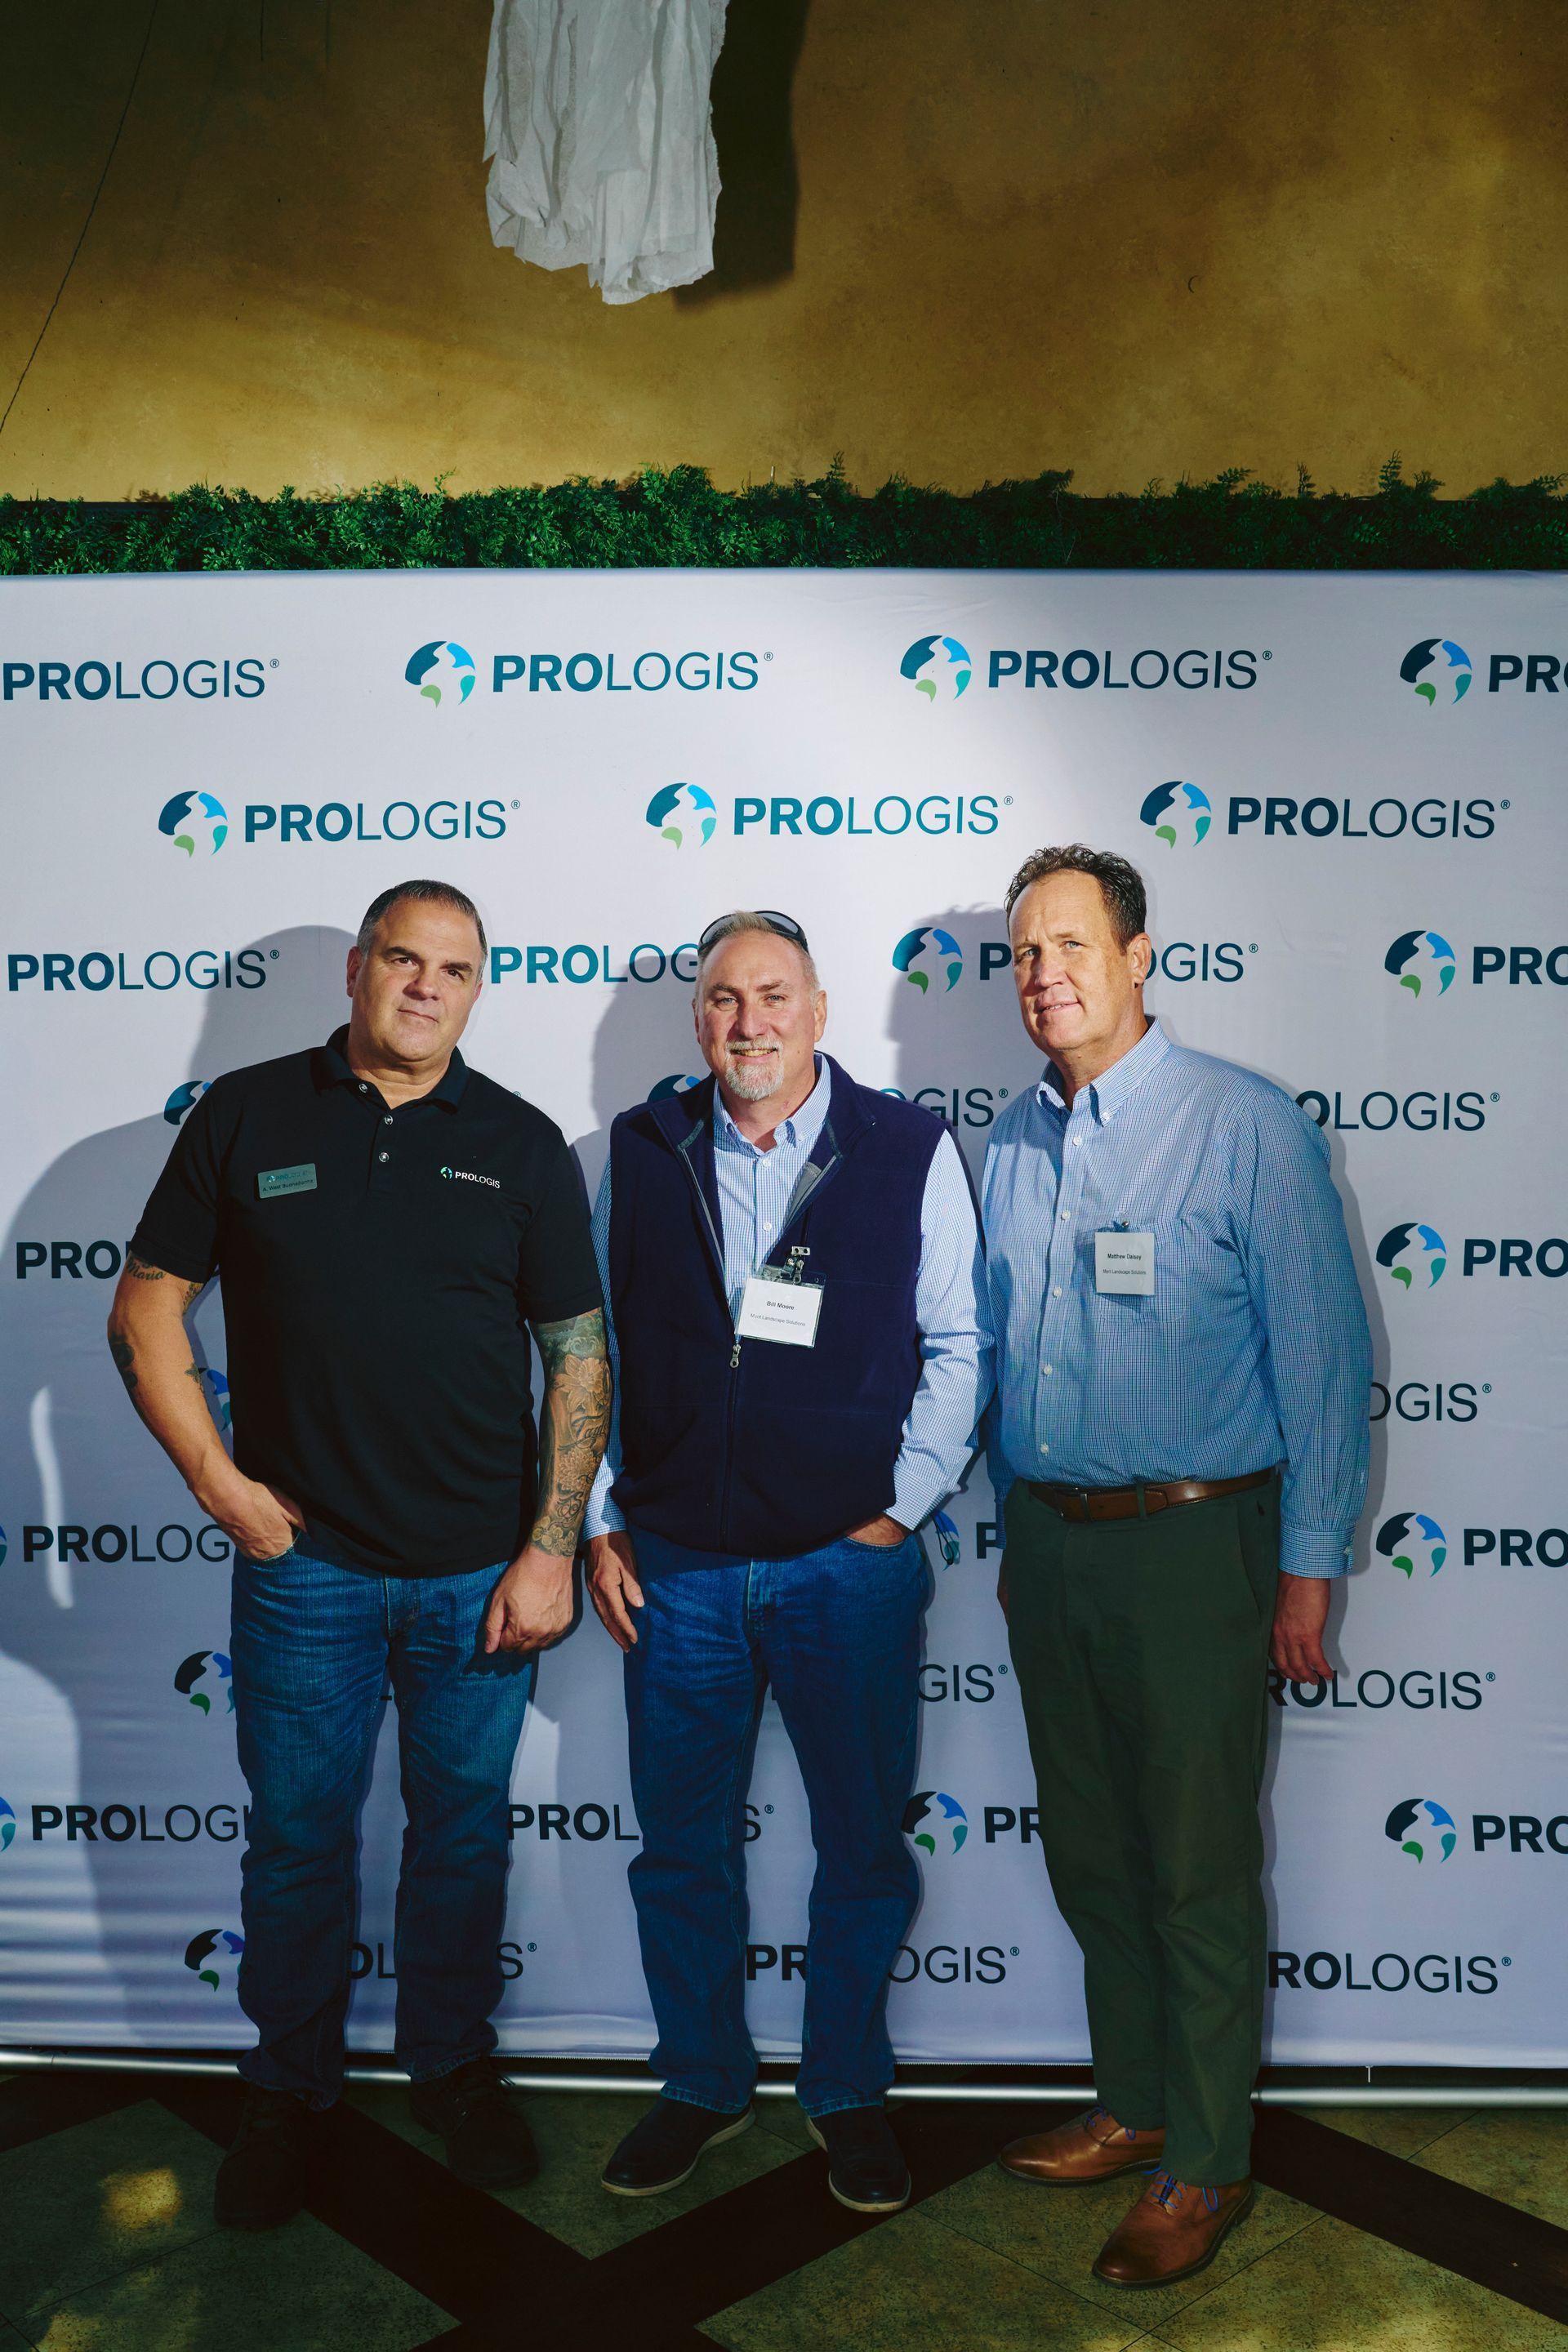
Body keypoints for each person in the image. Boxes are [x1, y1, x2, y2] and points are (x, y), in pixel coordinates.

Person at [108, 880, 609, 2229]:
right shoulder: (249, 1113)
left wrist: (551, 1546)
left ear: (476, 989)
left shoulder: (516, 1142)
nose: (427, 987)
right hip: (305, 1569)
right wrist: (220, 1483)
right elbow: (146, 1305)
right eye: (404, 959)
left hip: (476, 1578)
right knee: (296, 1846)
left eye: (455, 969)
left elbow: (576, 1356)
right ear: (357, 971)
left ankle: (451, 2069)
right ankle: (286, 2090)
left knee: (457, 1842)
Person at [982, 844, 1370, 2289]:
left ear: (1141, 958)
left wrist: (1308, 1569)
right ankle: (1134, 2103)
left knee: (1199, 1868)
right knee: (1095, 1857)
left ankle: (1202, 2164)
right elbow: (994, 1353)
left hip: (1204, 1543)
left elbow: (1323, 1366)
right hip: (1051, 1547)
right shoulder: (1010, 1141)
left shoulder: (1241, 1125)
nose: (1046, 976)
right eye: (1024, 953)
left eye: (1073, 945)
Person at [583, 910, 991, 2214]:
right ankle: (700, 2079)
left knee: (865, 1845)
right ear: (695, 1020)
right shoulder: (643, 1153)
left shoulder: (908, 1145)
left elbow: (959, 1341)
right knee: (681, 1849)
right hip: (682, 1568)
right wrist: (597, 1515)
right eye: (720, 1000)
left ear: (819, 1011)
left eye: (772, 996)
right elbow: (589, 1351)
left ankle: (845, 2089)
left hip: (846, 1568)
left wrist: (902, 1505)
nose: (746, 1022)